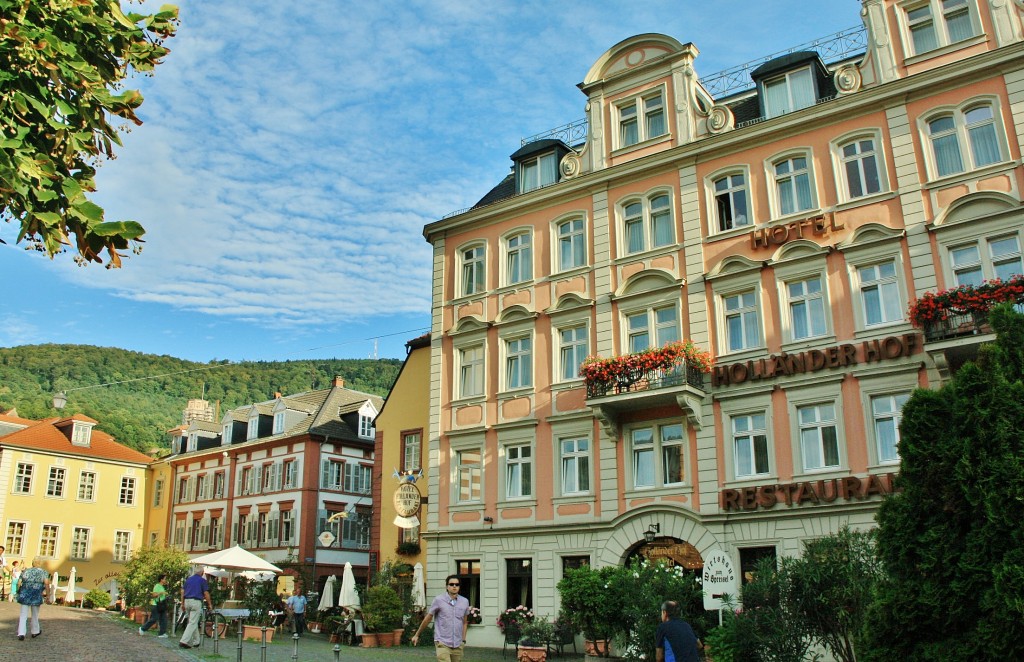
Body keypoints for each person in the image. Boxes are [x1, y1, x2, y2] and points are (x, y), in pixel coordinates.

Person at [411, 574, 469, 662]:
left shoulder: (464, 601)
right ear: (447, 586)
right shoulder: (438, 600)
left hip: (458, 644)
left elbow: (464, 622)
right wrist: (417, 635)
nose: (454, 586)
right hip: (442, 642)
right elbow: (428, 618)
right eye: (451, 584)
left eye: (457, 585)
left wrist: (463, 640)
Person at [16, 556, 51, 641]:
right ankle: (35, 631)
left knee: (23, 614)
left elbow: (19, 582)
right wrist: (48, 595)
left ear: (33, 563)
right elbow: (46, 584)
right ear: (40, 563)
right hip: (36, 595)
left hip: (25, 594)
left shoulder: (26, 571)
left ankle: (21, 633)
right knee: (35, 614)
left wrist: (18, 591)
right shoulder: (44, 572)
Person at [179, 566, 212, 649]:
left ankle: (196, 641)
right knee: (192, 622)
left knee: (193, 621)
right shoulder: (202, 581)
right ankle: (184, 641)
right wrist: (209, 604)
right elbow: (206, 593)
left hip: (187, 601)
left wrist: (182, 603)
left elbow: (182, 591)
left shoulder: (189, 579)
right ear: (202, 572)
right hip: (196, 601)